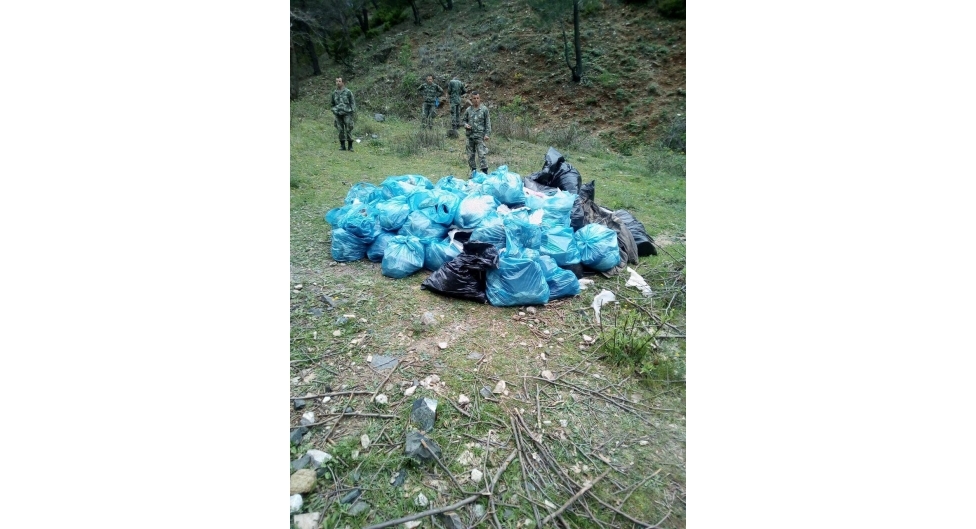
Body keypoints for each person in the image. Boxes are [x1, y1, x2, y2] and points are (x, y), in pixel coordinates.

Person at [462, 91, 491, 175]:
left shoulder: (484, 109)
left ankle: (485, 172)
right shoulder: (468, 110)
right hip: (470, 136)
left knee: (482, 154)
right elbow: (463, 120)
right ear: (471, 99)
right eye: (474, 98)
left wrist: (487, 134)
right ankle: (473, 171)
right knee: (470, 155)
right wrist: (466, 125)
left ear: (480, 99)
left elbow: (488, 123)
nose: (476, 100)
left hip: (480, 136)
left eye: (478, 98)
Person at [331, 77, 356, 151]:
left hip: (347, 113)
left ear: (343, 82)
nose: (338, 83)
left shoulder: (348, 92)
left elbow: (352, 103)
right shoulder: (334, 93)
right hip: (338, 113)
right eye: (336, 81)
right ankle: (342, 146)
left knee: (348, 129)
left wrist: (352, 112)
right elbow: (332, 104)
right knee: (340, 129)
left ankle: (350, 146)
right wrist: (334, 110)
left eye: (339, 81)